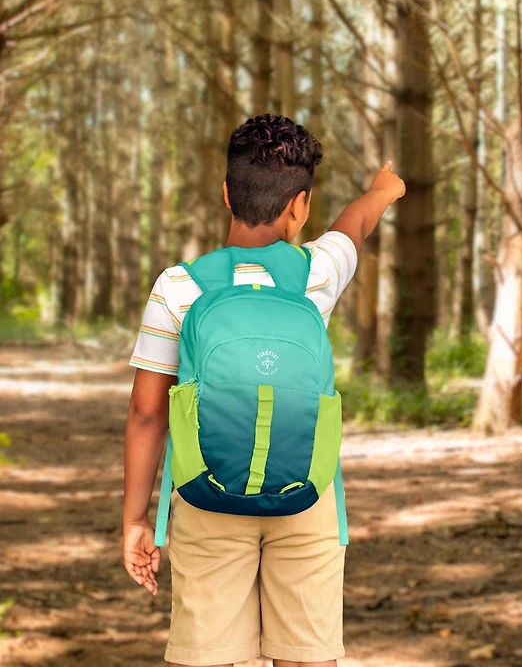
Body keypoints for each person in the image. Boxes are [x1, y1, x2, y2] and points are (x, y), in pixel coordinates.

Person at [123, 114, 405, 667]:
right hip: (306, 491)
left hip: (206, 493)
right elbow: (356, 223)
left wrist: (136, 520)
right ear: (300, 206)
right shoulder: (317, 273)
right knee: (307, 654)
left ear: (227, 193)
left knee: (206, 656)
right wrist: (382, 191)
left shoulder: (178, 287)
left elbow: (146, 415)